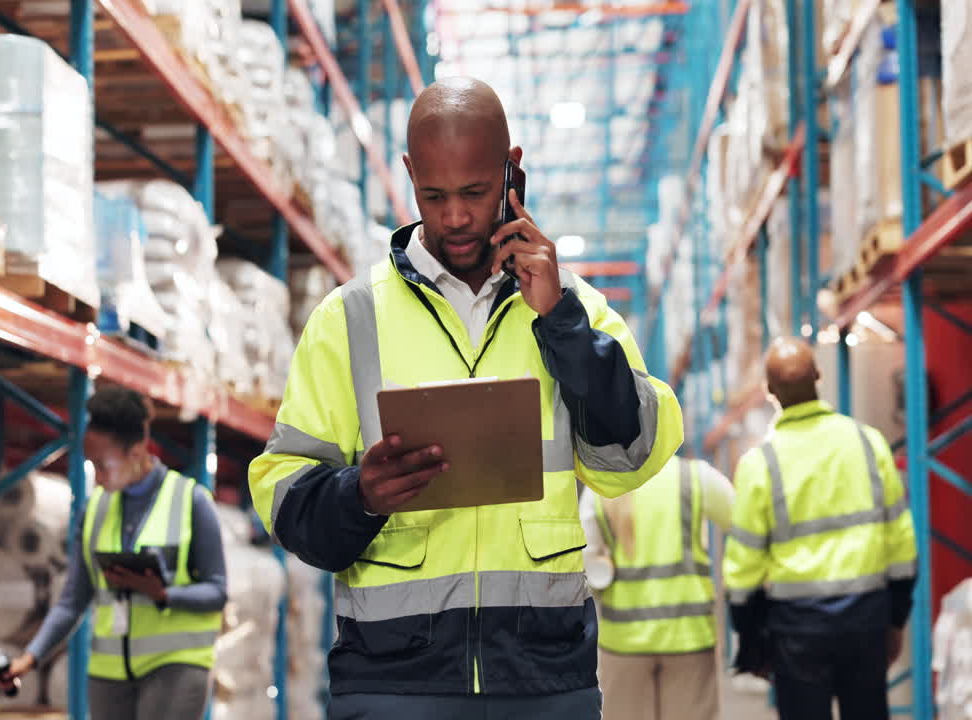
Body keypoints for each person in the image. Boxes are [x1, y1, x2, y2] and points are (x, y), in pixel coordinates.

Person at [248, 77, 684, 719]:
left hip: (542, 678)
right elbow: (284, 495)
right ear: (408, 173)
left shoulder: (575, 309)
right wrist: (358, 495)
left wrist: (559, 322)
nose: (454, 217)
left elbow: (634, 455)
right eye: (434, 195)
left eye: (476, 194)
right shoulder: (350, 320)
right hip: (394, 682)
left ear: (512, 172)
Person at [0, 386, 228, 719]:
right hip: (109, 673)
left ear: (136, 453)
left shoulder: (191, 501)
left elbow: (217, 592)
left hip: (176, 665)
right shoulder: (94, 511)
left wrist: (163, 594)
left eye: (104, 466)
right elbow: (72, 600)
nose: (98, 477)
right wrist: (29, 659)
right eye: (92, 465)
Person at [724, 337, 918, 720]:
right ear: (819, 376)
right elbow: (901, 540)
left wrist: (747, 632)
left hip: (796, 629)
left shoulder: (760, 464)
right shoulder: (868, 443)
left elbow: (743, 562)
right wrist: (895, 618)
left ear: (769, 391)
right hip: (866, 619)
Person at [579, 454, 734, 720]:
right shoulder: (696, 478)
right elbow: (744, 523)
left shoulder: (601, 487)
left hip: (624, 643)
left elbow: (585, 563)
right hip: (689, 637)